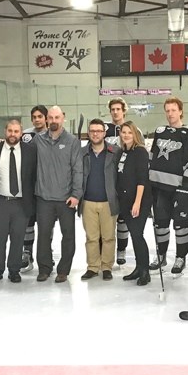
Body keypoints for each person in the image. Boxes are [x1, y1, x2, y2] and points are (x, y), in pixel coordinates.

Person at [148, 96, 188, 275]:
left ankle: (180, 257)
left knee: (181, 225)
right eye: (167, 110)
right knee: (160, 224)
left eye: (173, 110)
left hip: (179, 189)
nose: (170, 114)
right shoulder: (160, 131)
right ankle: (161, 255)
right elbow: (152, 157)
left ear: (180, 111)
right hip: (159, 189)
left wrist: (186, 188)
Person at [33, 105, 83, 283]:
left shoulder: (72, 142)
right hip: (44, 198)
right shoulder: (37, 140)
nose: (54, 121)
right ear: (47, 119)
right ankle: (44, 268)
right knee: (44, 235)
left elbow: (78, 170)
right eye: (51, 118)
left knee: (68, 235)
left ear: (63, 118)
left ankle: (63, 270)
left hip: (66, 199)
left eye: (57, 117)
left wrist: (76, 194)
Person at [0, 119, 37, 283]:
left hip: (21, 202)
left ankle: (14, 270)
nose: (13, 134)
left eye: (16, 131)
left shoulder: (30, 151)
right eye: (10, 131)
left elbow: (33, 176)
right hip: (1, 201)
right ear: (5, 131)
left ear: (21, 133)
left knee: (18, 238)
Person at [79, 118, 120, 281]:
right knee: (92, 237)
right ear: (89, 133)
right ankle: (93, 267)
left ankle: (107, 267)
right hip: (88, 201)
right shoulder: (82, 153)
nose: (95, 134)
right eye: (92, 131)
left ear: (104, 133)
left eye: (99, 131)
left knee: (109, 237)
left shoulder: (115, 152)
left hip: (108, 201)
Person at [117, 121, 152, 286]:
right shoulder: (123, 152)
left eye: (129, 132)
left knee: (138, 235)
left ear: (135, 135)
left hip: (138, 201)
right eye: (123, 132)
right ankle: (139, 267)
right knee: (134, 235)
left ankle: (145, 271)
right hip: (125, 200)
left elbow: (142, 179)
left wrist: (137, 202)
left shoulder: (140, 152)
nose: (126, 135)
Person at [104, 97, 132, 266]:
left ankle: (121, 250)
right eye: (112, 109)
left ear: (124, 110)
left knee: (123, 220)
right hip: (108, 182)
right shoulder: (105, 129)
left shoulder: (130, 129)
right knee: (107, 220)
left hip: (124, 182)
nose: (115, 112)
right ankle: (105, 253)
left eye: (118, 109)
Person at [20, 104, 48, 273]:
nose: (37, 119)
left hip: (46, 187)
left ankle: (46, 253)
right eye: (34, 117)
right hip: (29, 187)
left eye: (40, 116)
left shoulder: (52, 134)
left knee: (46, 224)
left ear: (45, 118)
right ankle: (27, 253)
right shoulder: (26, 135)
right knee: (28, 222)